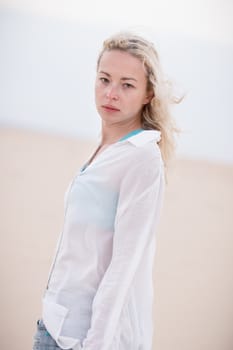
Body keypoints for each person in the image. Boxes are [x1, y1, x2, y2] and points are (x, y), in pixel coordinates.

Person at [32, 31, 180, 350]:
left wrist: (95, 344)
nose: (111, 93)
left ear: (148, 93)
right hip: (55, 325)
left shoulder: (141, 158)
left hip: (82, 340)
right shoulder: (109, 148)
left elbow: (123, 267)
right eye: (104, 79)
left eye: (127, 84)